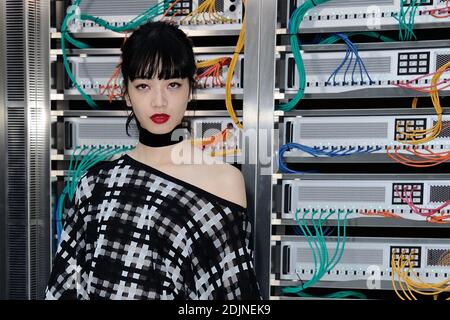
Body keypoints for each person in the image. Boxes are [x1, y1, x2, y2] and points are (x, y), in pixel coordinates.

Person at [45, 21, 261, 300]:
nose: (159, 102)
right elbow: (66, 287)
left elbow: (235, 297)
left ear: (189, 89)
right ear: (126, 94)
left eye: (172, 84)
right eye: (144, 86)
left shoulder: (223, 181)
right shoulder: (95, 184)